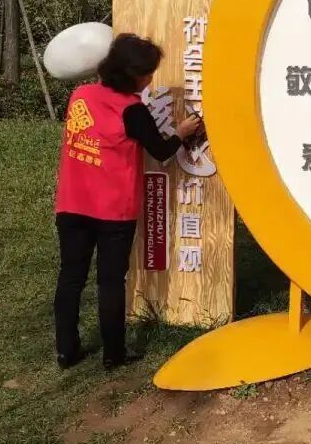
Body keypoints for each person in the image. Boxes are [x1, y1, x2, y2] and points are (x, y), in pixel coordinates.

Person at [54, 34, 201, 371]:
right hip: (113, 211)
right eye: (147, 74)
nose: (150, 80)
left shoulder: (80, 95)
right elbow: (161, 151)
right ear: (130, 75)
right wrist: (181, 132)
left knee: (71, 277)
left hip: (72, 203)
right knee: (110, 281)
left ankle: (66, 350)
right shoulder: (133, 111)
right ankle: (113, 354)